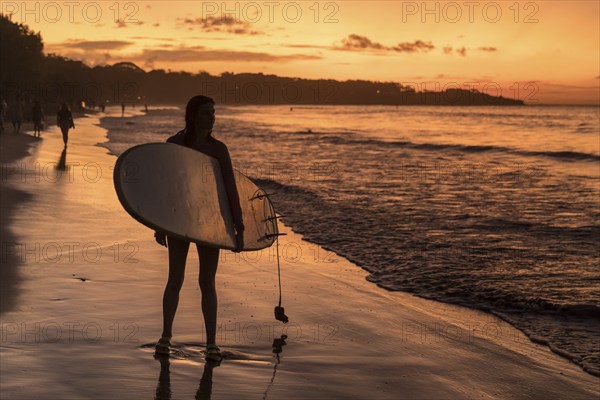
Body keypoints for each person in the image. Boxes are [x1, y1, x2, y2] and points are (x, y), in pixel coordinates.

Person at [154, 95, 244, 362]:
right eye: (206, 112)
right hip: (179, 219)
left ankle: (211, 344)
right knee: (175, 279)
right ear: (193, 115)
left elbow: (230, 190)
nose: (212, 117)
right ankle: (165, 337)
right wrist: (158, 224)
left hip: (209, 221)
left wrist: (238, 228)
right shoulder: (174, 144)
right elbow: (166, 188)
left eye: (213, 112)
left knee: (207, 282)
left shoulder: (219, 149)